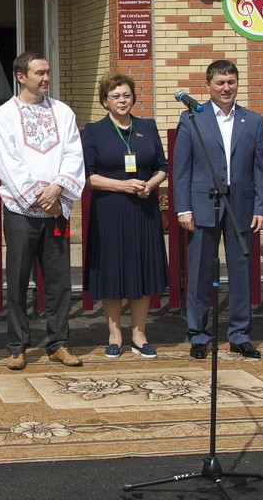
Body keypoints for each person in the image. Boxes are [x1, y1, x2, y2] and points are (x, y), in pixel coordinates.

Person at [0, 53, 85, 370]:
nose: (46, 78)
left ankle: (58, 343)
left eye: (48, 72)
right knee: (18, 280)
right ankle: (17, 346)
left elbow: (73, 153)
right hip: (20, 211)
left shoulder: (63, 112)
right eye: (39, 73)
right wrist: (37, 196)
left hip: (56, 209)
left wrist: (58, 190)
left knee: (59, 283)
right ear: (21, 76)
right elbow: (8, 162)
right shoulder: (5, 115)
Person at [174, 60, 263, 360]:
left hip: (240, 205)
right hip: (203, 205)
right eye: (220, 83)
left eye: (231, 82)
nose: (226, 88)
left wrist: (261, 207)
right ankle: (198, 334)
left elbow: (261, 170)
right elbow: (182, 169)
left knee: (241, 272)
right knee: (201, 270)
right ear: (208, 86)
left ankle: (240, 333)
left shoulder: (252, 121)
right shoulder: (192, 118)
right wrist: (183, 208)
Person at [82, 73, 168, 358]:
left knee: (141, 268)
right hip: (109, 210)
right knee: (112, 270)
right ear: (105, 101)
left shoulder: (147, 126)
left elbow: (162, 166)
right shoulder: (94, 131)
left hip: (143, 209)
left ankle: (140, 334)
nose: (122, 100)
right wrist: (123, 185)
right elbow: (88, 176)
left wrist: (150, 185)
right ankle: (115, 333)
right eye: (116, 95)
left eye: (127, 95)